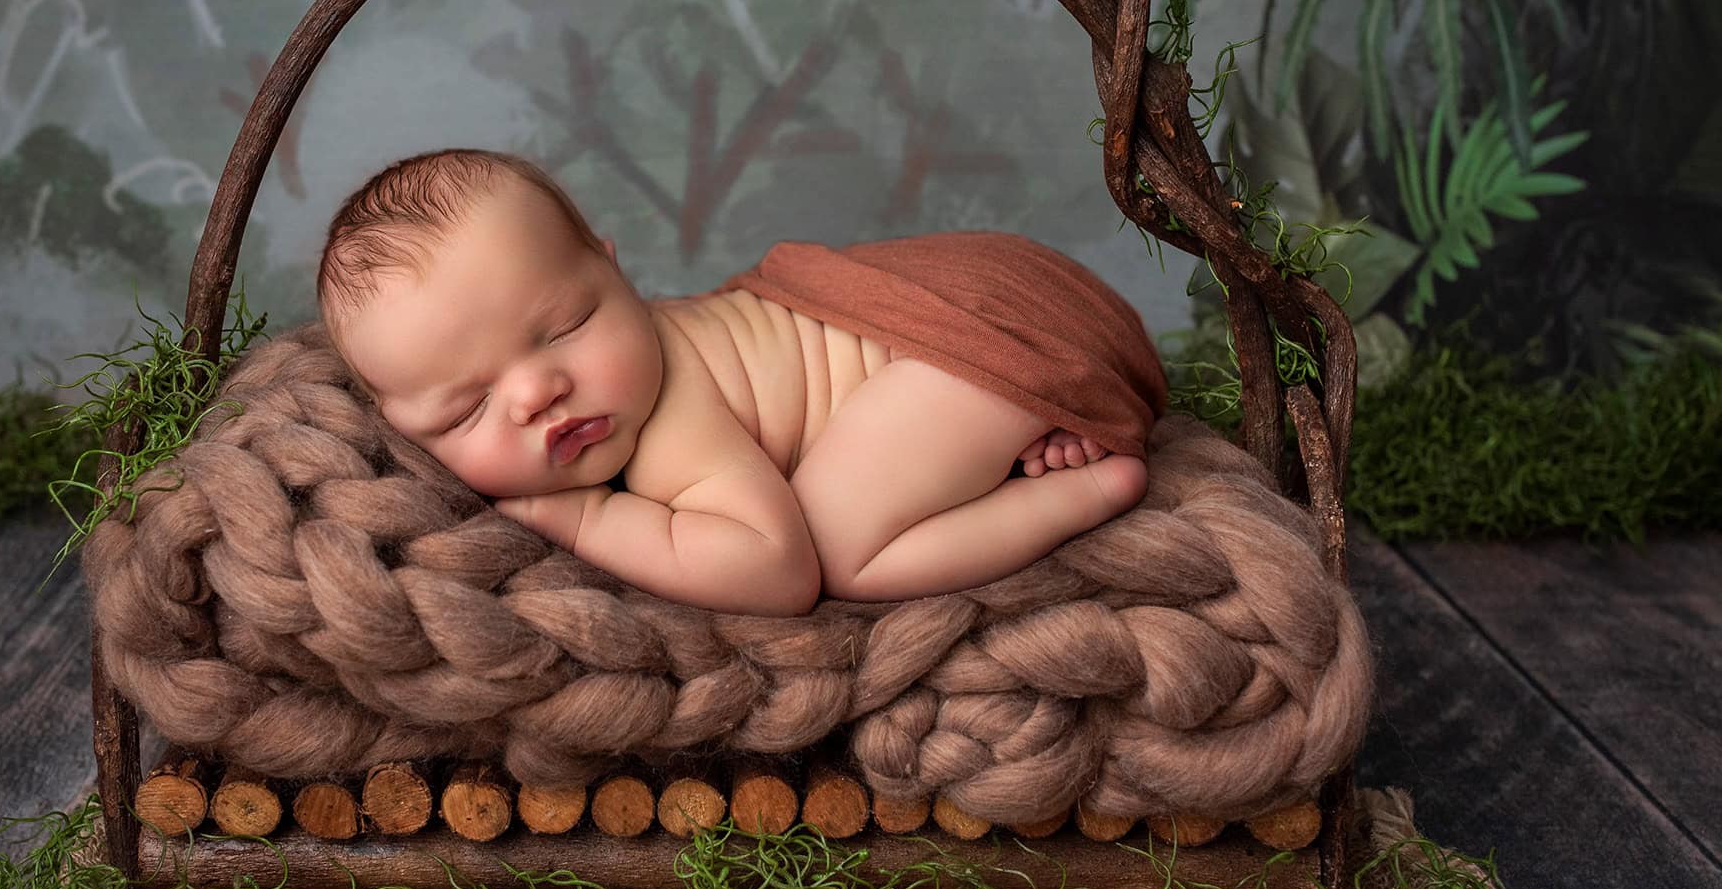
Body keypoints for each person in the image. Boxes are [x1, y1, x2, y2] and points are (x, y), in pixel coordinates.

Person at [317, 149, 1157, 616]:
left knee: (838, 550)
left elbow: (775, 570)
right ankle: (1024, 426)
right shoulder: (641, 361)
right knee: (881, 460)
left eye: (567, 327)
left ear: (617, 274)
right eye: (467, 409)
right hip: (1004, 319)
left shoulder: (669, 426)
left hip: (977, 336)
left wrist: (580, 512)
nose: (537, 393)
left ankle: (1089, 488)